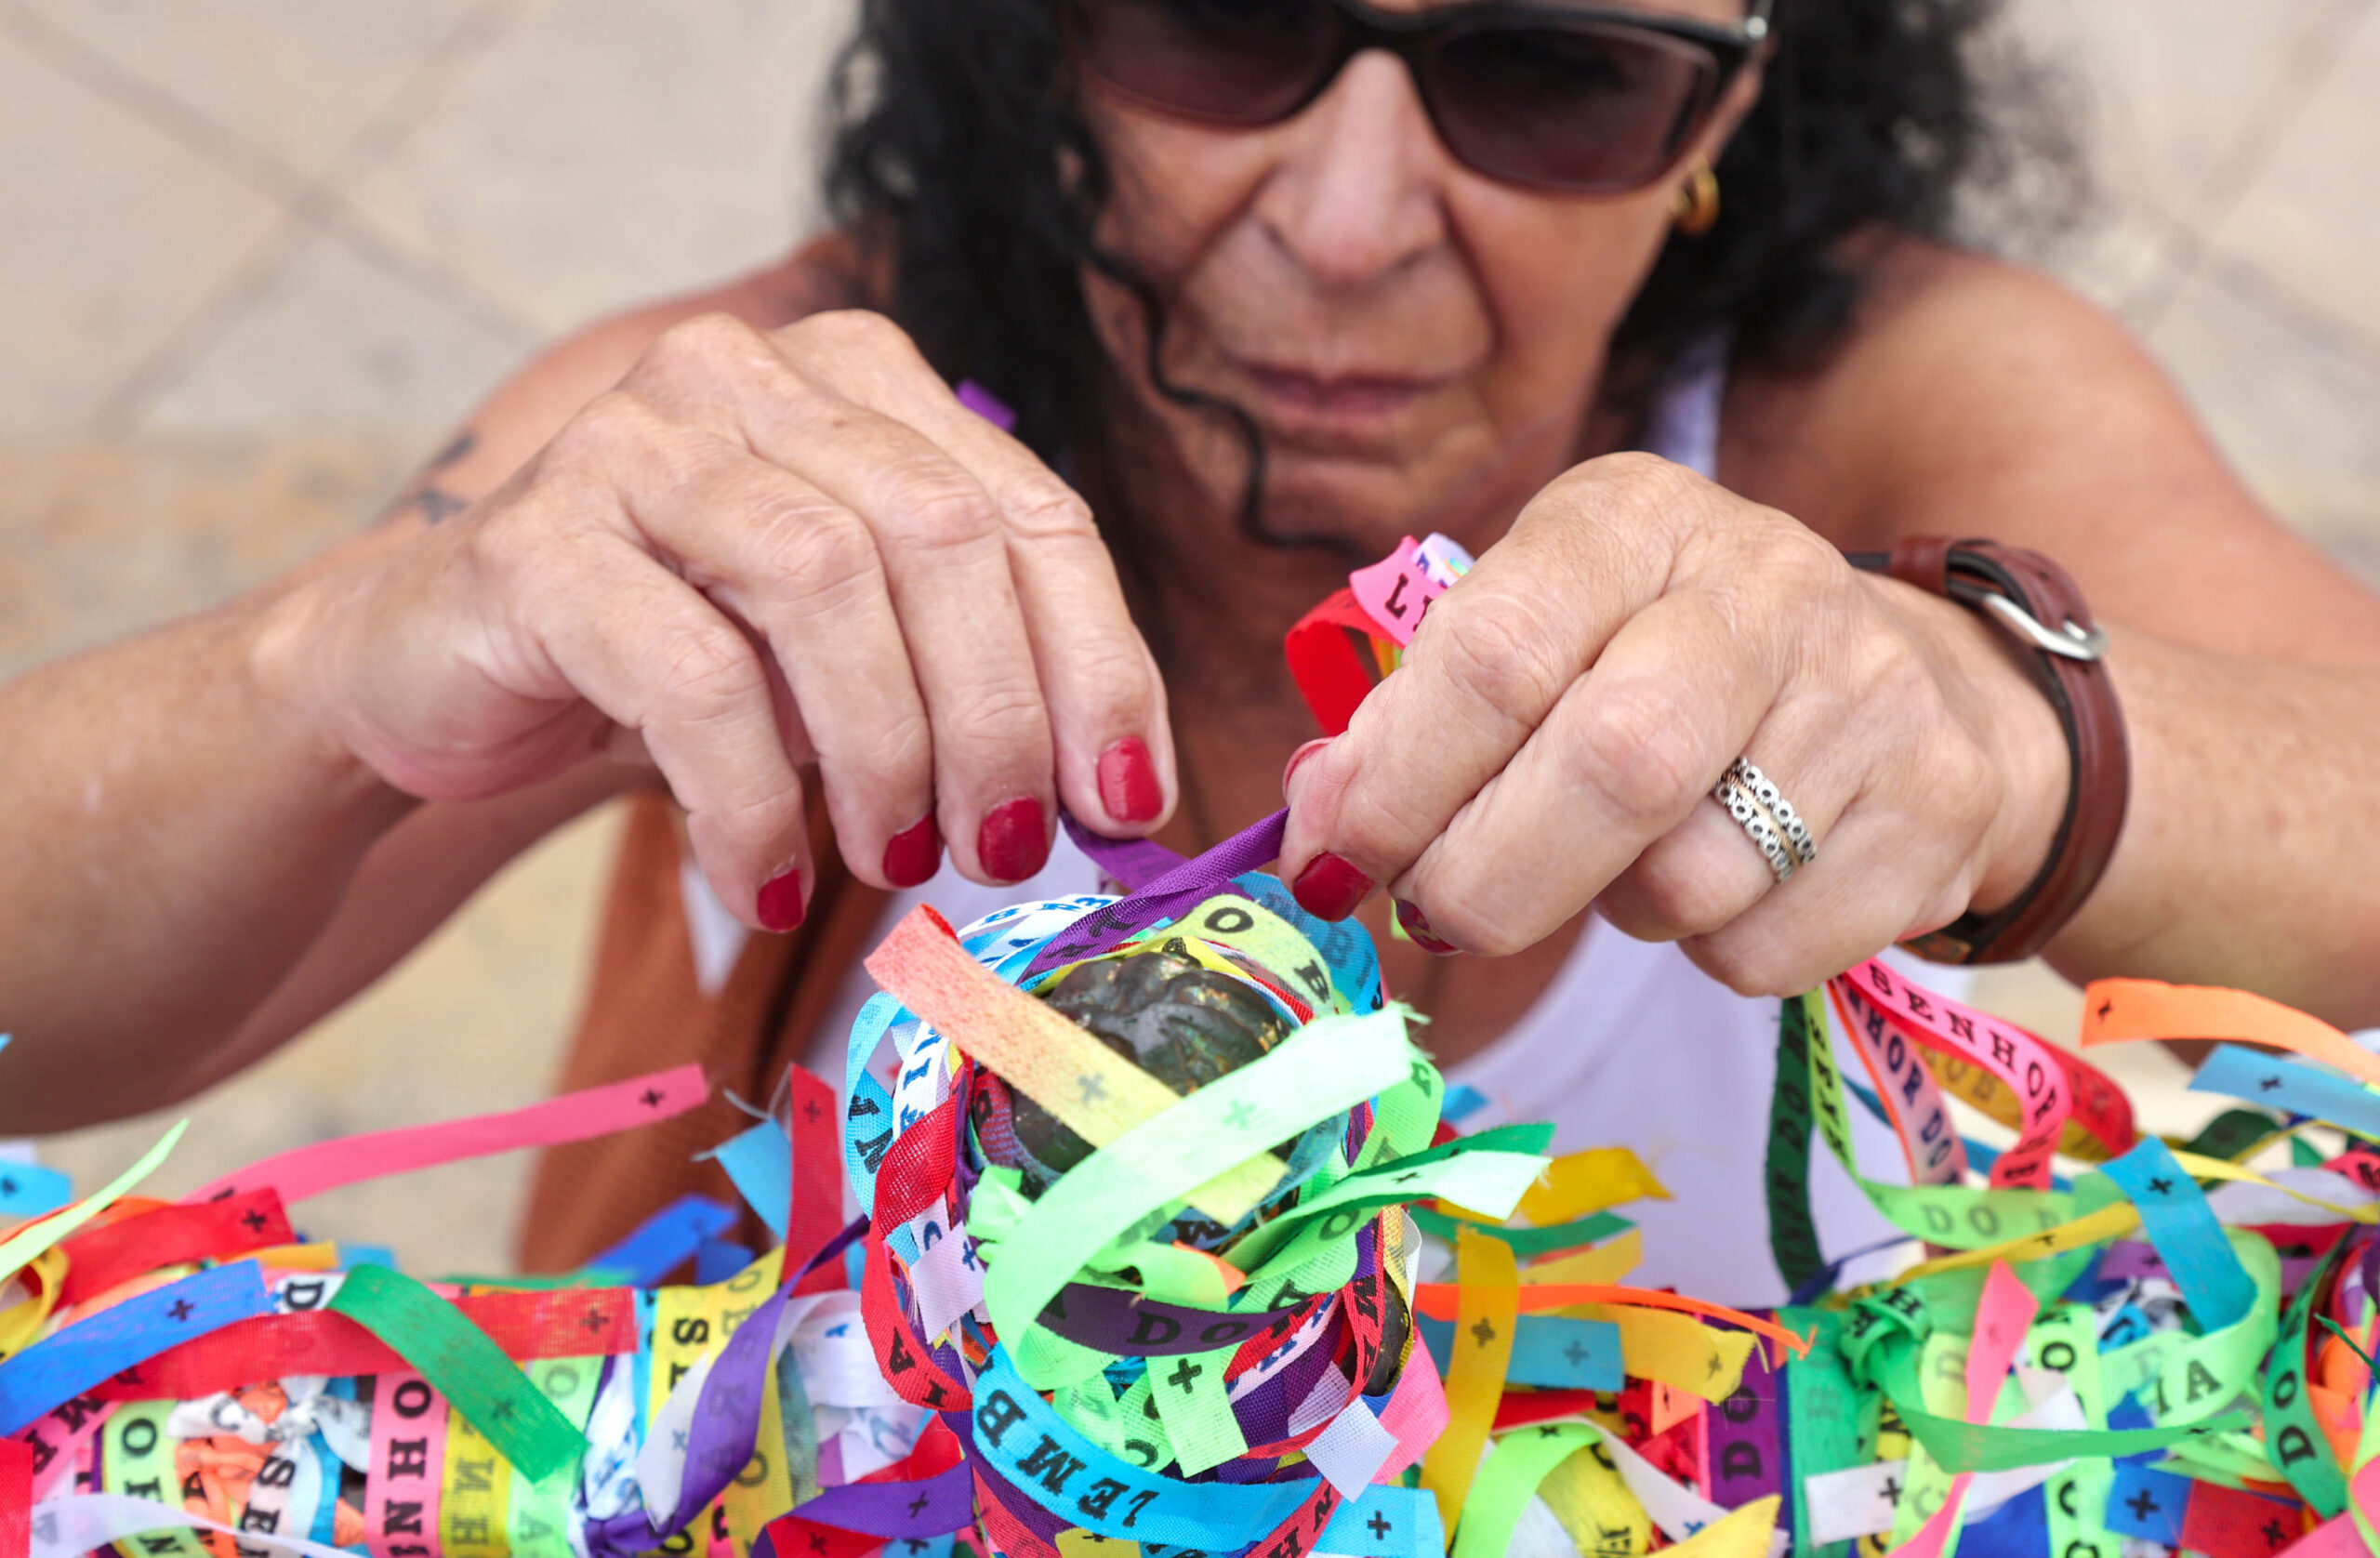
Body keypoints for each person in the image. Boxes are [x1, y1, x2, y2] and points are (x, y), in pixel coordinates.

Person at [7, 0, 2380, 1302]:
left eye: (1547, 73)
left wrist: (2006, 736)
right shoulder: (785, 445)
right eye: (1218, 26)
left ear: (1728, 110)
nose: (1342, 223)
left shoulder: (1885, 407)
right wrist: (332, 663)